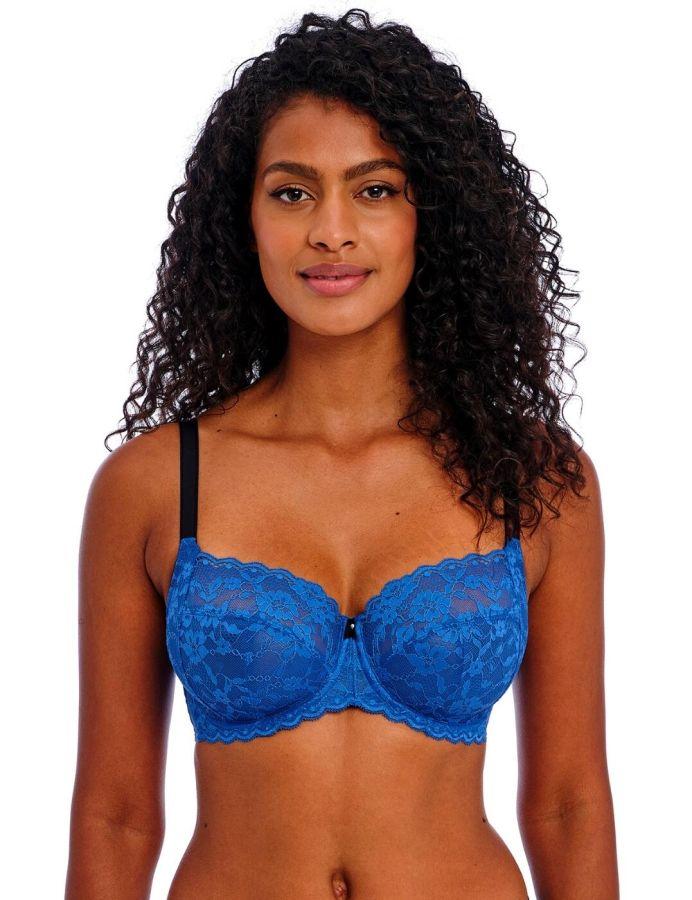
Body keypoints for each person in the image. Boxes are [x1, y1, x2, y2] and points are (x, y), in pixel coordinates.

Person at [65, 9, 619, 899]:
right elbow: (117, 814)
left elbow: (567, 805)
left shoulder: (535, 479)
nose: (331, 231)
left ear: (432, 216)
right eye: (292, 193)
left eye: (375, 190)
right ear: (242, 218)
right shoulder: (155, 484)